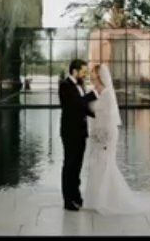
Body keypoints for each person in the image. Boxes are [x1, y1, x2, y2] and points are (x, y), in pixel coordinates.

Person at [83, 63, 150, 215]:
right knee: (99, 166)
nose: (92, 81)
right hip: (101, 135)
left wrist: (102, 137)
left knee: (105, 166)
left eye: (94, 78)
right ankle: (97, 199)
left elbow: (107, 119)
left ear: (100, 79)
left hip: (106, 136)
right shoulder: (102, 94)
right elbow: (96, 113)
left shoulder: (107, 95)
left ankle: (106, 200)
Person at [59, 59, 99, 211]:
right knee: (69, 165)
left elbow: (84, 108)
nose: (85, 74)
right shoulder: (65, 85)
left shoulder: (80, 84)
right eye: (83, 71)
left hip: (81, 131)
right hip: (70, 132)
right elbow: (77, 104)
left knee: (77, 166)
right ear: (74, 71)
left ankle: (76, 196)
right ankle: (67, 201)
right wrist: (94, 94)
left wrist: (99, 115)